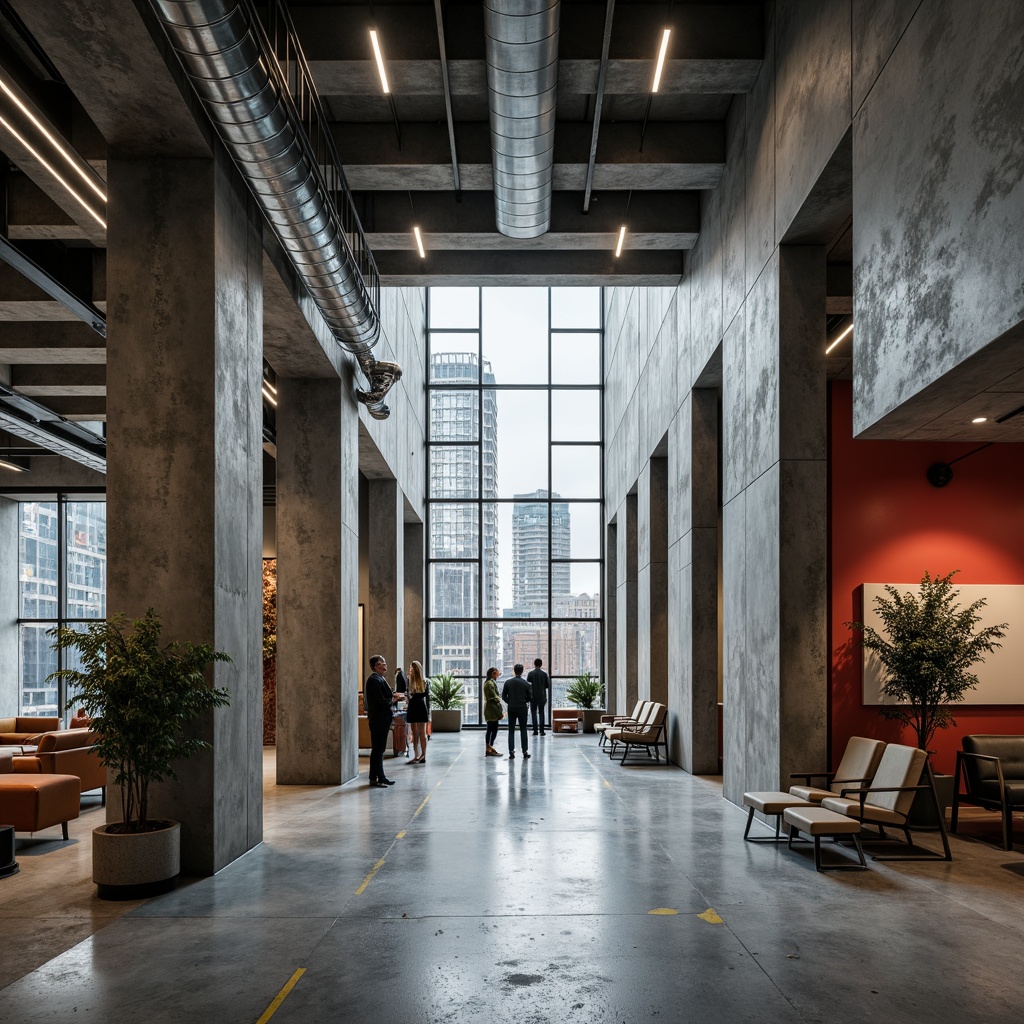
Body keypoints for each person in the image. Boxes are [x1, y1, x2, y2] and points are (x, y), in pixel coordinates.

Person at [364, 654, 402, 787]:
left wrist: (392, 696)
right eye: (383, 663)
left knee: (379, 750)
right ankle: (378, 777)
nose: (385, 665)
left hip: (382, 719)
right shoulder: (374, 680)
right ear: (377, 666)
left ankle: (376, 777)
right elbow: (380, 701)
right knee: (378, 750)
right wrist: (394, 699)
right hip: (379, 719)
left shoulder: (379, 679)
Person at [501, 664, 532, 759]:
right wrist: (524, 701)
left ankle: (511, 751)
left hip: (512, 707)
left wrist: (509, 702)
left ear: (514, 671)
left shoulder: (508, 682)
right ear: (522, 671)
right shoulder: (526, 684)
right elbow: (530, 697)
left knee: (511, 729)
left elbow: (503, 696)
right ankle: (525, 751)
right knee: (523, 729)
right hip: (522, 707)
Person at [405, 660, 430, 763]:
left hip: (414, 706)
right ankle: (422, 755)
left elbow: (409, 695)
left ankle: (417, 755)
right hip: (421, 706)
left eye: (412, 668)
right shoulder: (425, 682)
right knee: (421, 733)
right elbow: (427, 697)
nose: (410, 670)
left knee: (415, 733)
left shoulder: (410, 681)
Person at [483, 667, 504, 757]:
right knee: (492, 728)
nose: (498, 675)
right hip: (492, 709)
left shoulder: (489, 683)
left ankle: (490, 747)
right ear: (493, 674)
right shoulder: (489, 684)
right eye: (497, 674)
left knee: (491, 728)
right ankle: (489, 748)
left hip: (491, 708)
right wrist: (499, 700)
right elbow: (494, 696)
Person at [527, 657, 550, 736]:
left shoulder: (530, 674)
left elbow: (528, 685)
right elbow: (547, 685)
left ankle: (535, 730)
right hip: (542, 696)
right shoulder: (544, 674)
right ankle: (542, 731)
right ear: (541, 664)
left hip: (533, 696)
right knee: (541, 713)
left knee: (533, 713)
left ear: (534, 664)